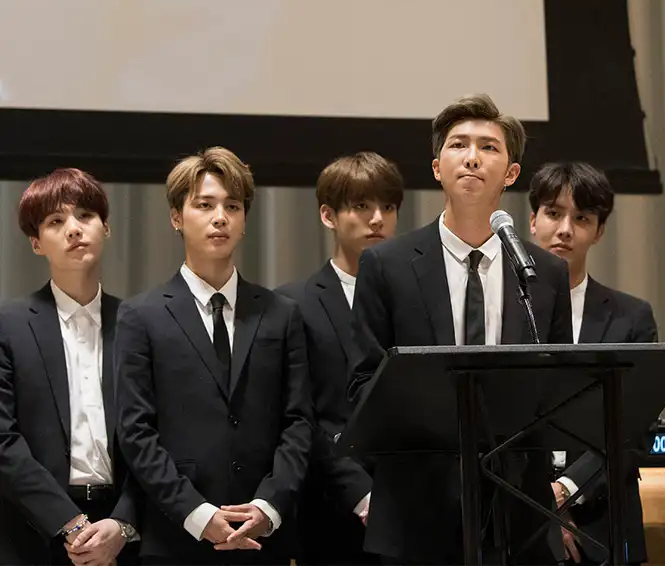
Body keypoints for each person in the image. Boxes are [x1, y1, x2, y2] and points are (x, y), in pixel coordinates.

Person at [348, 94, 573, 564]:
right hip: (417, 509)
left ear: (511, 174)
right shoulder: (386, 265)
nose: (472, 157)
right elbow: (363, 385)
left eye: (489, 147)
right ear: (436, 167)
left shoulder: (543, 272)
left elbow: (558, 387)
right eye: (458, 145)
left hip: (518, 513)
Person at [115, 147, 313, 564]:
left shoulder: (282, 313)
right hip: (176, 537)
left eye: (233, 206)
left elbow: (298, 423)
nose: (220, 217)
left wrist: (269, 506)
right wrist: (197, 513)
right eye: (204, 205)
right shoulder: (141, 315)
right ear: (176, 217)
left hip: (264, 537)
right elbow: (136, 433)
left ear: (244, 221)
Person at [0, 168, 140, 565]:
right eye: (55, 221)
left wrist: (123, 524)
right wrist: (70, 523)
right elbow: (2, 440)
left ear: (106, 228)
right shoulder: (7, 326)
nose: (74, 230)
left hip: (124, 534)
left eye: (85, 216)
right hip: (32, 532)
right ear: (36, 243)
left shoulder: (140, 323)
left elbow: (159, 438)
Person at [275, 151, 404, 565]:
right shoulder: (293, 304)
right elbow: (301, 416)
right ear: (328, 216)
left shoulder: (415, 297)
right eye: (361, 206)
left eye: (387, 206)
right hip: (331, 510)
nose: (377, 219)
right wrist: (359, 492)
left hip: (415, 504)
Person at [527, 162, 654, 564]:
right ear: (532, 221)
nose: (565, 229)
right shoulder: (498, 310)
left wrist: (566, 489)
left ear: (599, 231)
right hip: (518, 518)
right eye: (553, 213)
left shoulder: (632, 317)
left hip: (604, 519)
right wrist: (542, 506)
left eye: (581, 217)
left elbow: (633, 426)